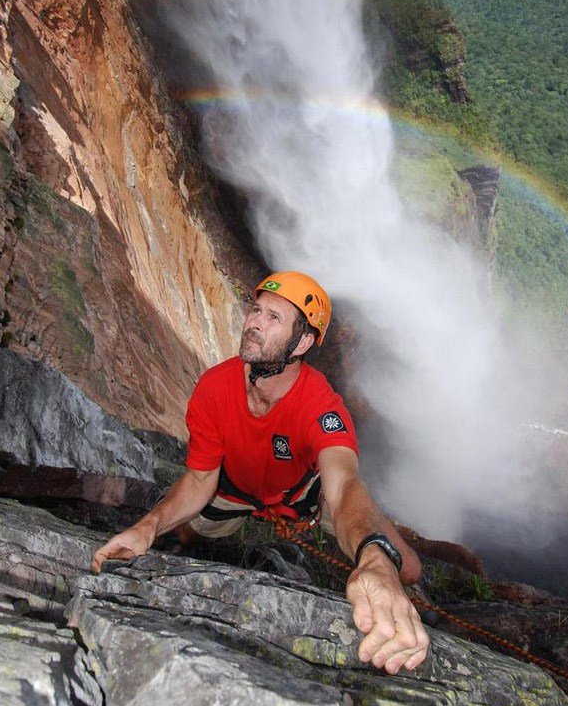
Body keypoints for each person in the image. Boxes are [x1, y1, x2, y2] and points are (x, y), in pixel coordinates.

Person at [92, 271, 429, 674]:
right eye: (256, 310)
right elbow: (201, 478)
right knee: (184, 533)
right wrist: (148, 528)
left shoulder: (322, 407)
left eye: (274, 318)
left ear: (303, 342)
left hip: (302, 497)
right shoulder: (214, 387)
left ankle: (384, 545)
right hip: (233, 488)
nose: (254, 322)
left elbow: (342, 487)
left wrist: (374, 560)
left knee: (406, 568)